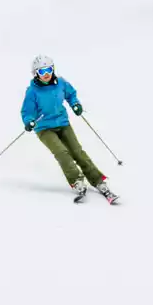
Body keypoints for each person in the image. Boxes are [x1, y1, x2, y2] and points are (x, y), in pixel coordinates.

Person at [22, 55, 117, 202]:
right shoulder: (32, 91)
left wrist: (75, 104)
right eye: (42, 72)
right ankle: (77, 180)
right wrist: (29, 121)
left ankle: (98, 180)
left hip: (63, 123)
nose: (46, 74)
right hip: (44, 128)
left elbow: (71, 94)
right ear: (35, 74)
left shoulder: (61, 83)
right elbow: (27, 111)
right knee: (62, 152)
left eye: (48, 70)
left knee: (77, 151)